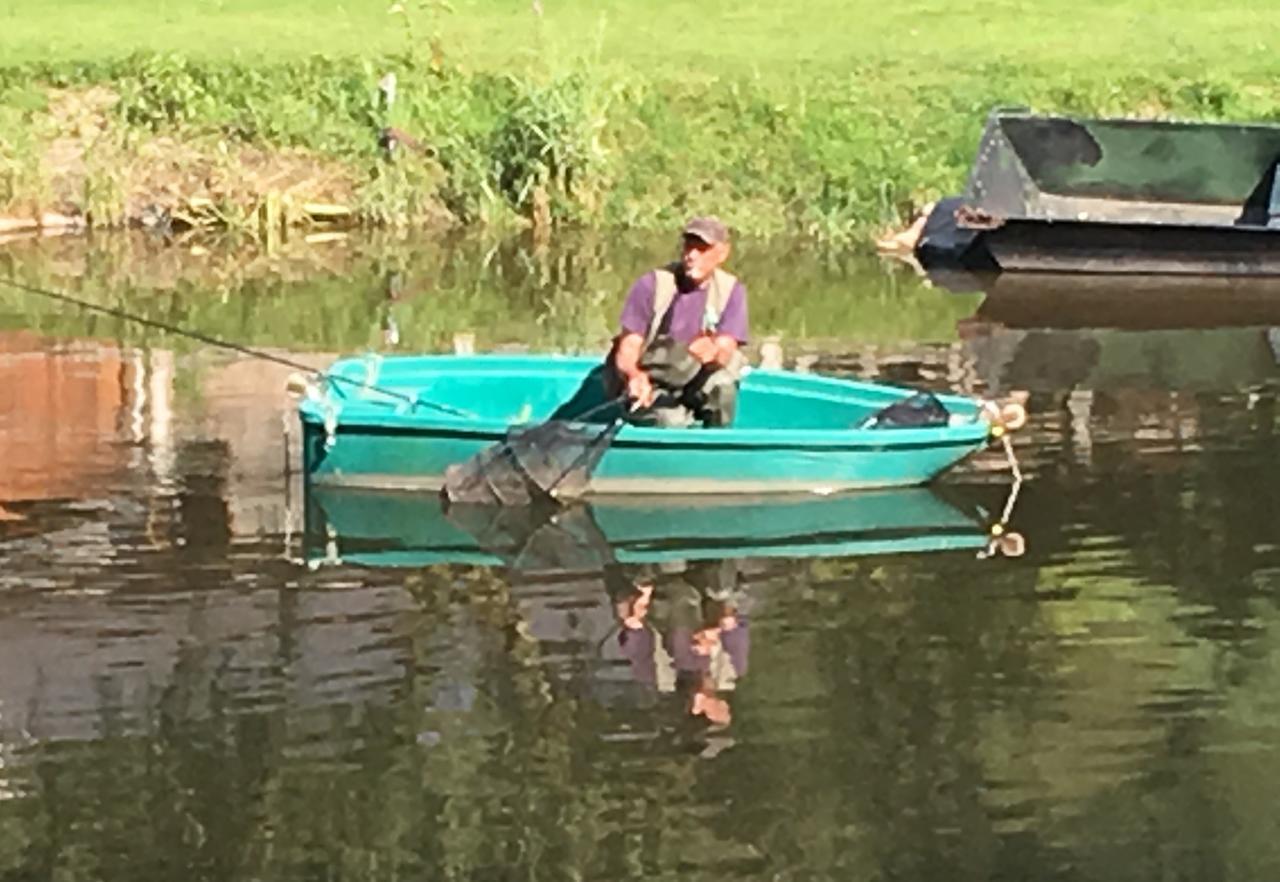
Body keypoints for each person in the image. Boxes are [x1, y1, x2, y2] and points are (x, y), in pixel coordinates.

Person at [608, 216, 749, 427]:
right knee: (669, 420)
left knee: (724, 388)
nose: (691, 255)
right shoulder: (652, 285)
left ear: (722, 253)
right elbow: (628, 346)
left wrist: (713, 353)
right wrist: (634, 375)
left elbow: (726, 348)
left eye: (702, 249)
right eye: (688, 246)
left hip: (695, 381)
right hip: (649, 385)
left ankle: (714, 450)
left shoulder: (731, 291)